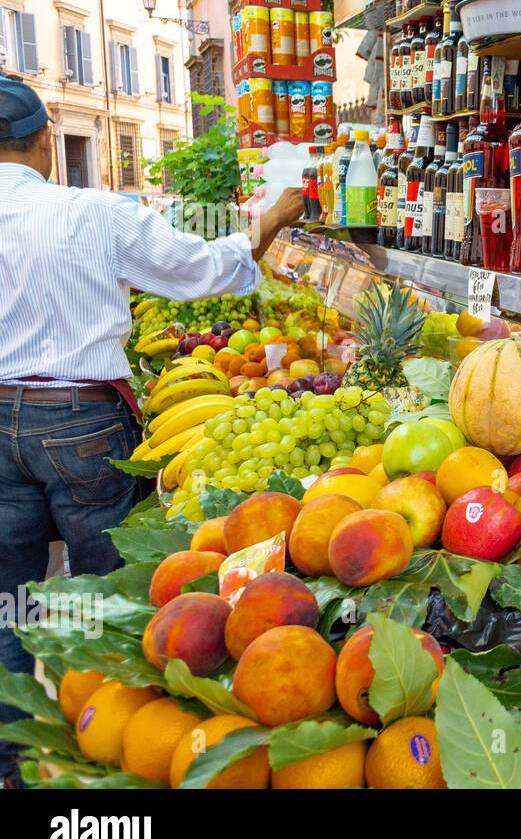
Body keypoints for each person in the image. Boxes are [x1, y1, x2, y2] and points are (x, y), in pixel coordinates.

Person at [0, 74, 302, 787]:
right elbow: (201, 271)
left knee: (8, 598)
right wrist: (273, 219)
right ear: (46, 141)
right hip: (80, 421)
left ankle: (14, 762)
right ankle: (98, 741)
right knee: (108, 590)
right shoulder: (91, 213)